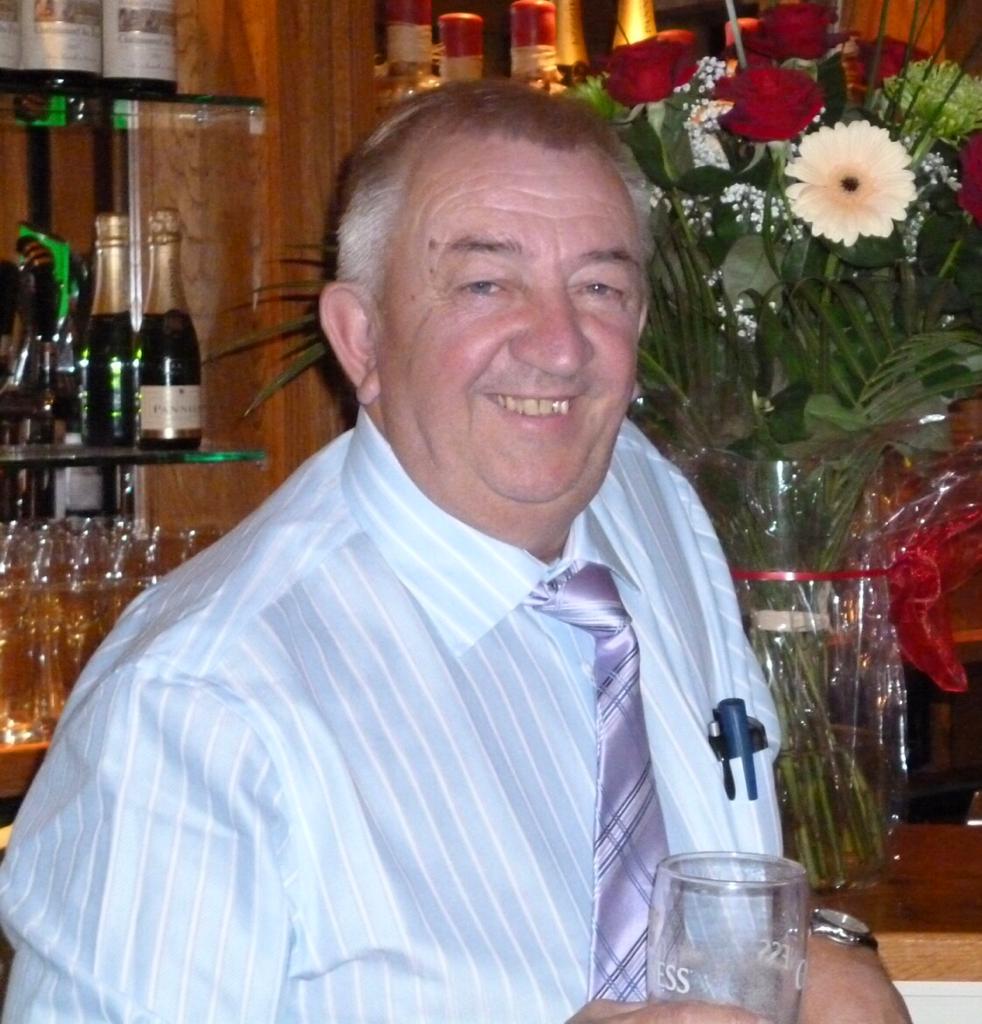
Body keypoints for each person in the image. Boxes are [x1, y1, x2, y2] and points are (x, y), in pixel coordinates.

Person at [0, 81, 910, 1024]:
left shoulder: (649, 502)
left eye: (599, 288)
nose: (561, 348)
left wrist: (807, 945)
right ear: (361, 338)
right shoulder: (195, 708)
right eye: (486, 284)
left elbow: (707, 852)